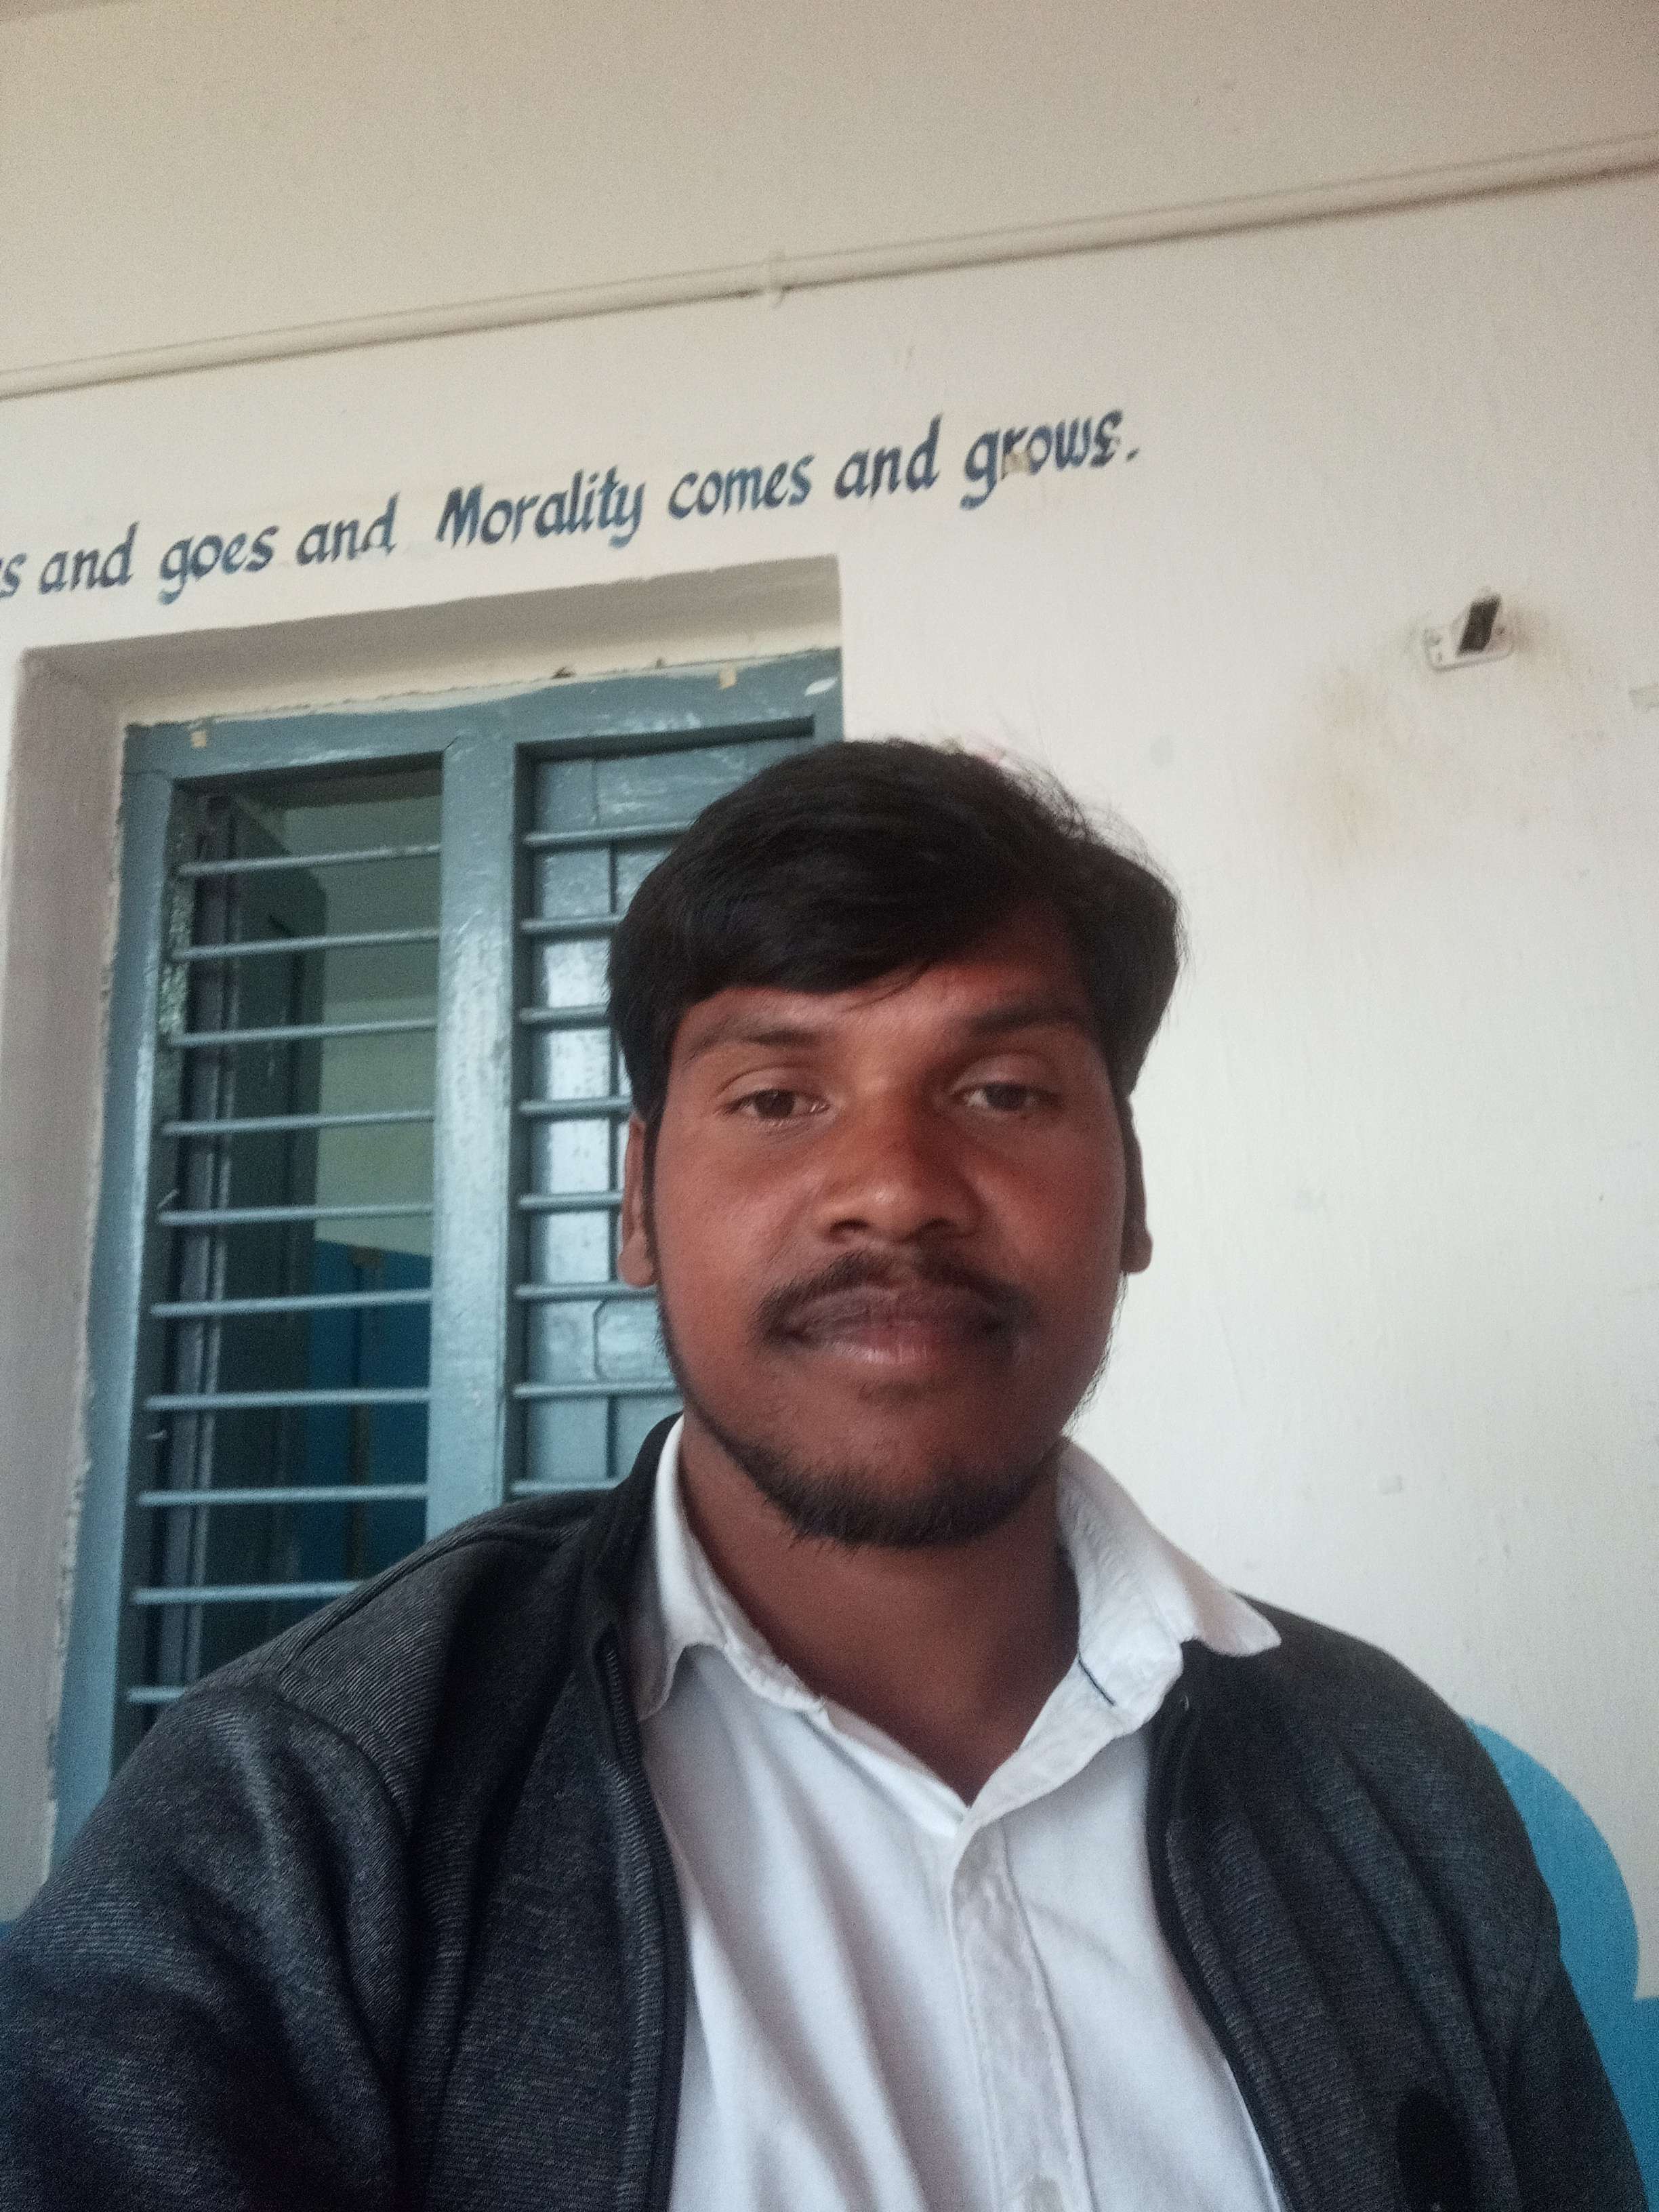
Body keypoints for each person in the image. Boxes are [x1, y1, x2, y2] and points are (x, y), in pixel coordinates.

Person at [0, 739, 1641, 2212]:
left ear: (1133, 1195)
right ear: (637, 1207)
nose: (894, 1189)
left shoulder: (1392, 1784)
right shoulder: (310, 1814)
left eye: (1001, 1091)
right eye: (778, 1097)